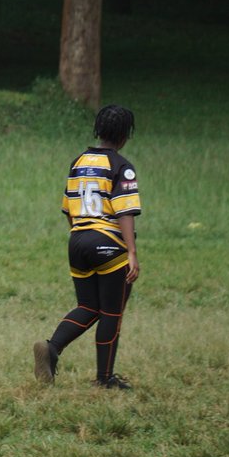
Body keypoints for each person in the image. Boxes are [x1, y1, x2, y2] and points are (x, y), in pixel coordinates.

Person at [34, 104, 141, 390]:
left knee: (88, 306)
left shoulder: (78, 161)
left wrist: (82, 237)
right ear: (124, 135)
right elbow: (124, 212)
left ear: (98, 130)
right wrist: (131, 251)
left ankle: (52, 348)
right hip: (108, 242)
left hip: (77, 241)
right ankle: (105, 378)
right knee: (111, 312)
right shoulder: (122, 166)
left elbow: (69, 208)